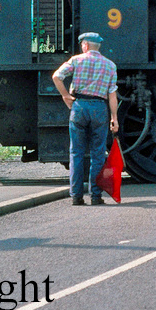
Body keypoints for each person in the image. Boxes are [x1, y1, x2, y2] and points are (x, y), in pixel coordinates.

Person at [51, 32, 119, 205]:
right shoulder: (110, 65)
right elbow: (112, 95)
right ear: (99, 46)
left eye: (82, 44)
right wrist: (114, 118)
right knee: (98, 153)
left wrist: (65, 96)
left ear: (85, 45)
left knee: (76, 153)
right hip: (99, 108)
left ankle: (76, 196)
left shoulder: (76, 60)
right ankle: (96, 196)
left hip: (79, 106)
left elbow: (56, 77)